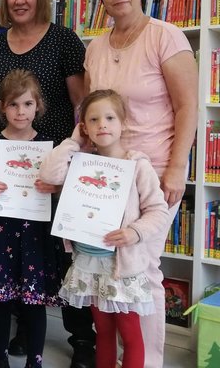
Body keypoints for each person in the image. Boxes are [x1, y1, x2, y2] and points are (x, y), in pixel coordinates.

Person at [86, 0, 198, 368]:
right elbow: (93, 113)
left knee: (143, 269)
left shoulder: (166, 36)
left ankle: (146, 361)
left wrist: (175, 168)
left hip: (152, 173)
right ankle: (114, 356)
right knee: (107, 266)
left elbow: (188, 107)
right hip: (106, 174)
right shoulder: (96, 47)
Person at [0, 0, 90, 367]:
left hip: (58, 162)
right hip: (9, 164)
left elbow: (81, 103)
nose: (20, 0)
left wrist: (76, 153)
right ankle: (21, 333)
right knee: (12, 247)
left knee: (62, 252)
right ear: (4, 1)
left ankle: (81, 338)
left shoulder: (63, 40)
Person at [39, 89, 171, 368]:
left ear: (123, 123)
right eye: (94, 119)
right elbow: (49, 174)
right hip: (89, 263)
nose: (102, 125)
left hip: (120, 267)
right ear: (84, 126)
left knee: (130, 333)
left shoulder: (136, 165)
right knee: (104, 331)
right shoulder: (81, 161)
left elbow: (157, 211)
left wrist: (134, 232)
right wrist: (74, 141)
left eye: (110, 118)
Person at [0, 70, 64, 368]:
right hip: (1, 232)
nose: (20, 111)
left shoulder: (50, 148)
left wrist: (53, 188)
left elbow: (62, 189)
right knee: (0, 297)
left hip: (36, 232)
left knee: (34, 298)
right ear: (2, 107)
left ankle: (35, 361)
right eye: (14, 104)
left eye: (27, 104)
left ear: (38, 106)